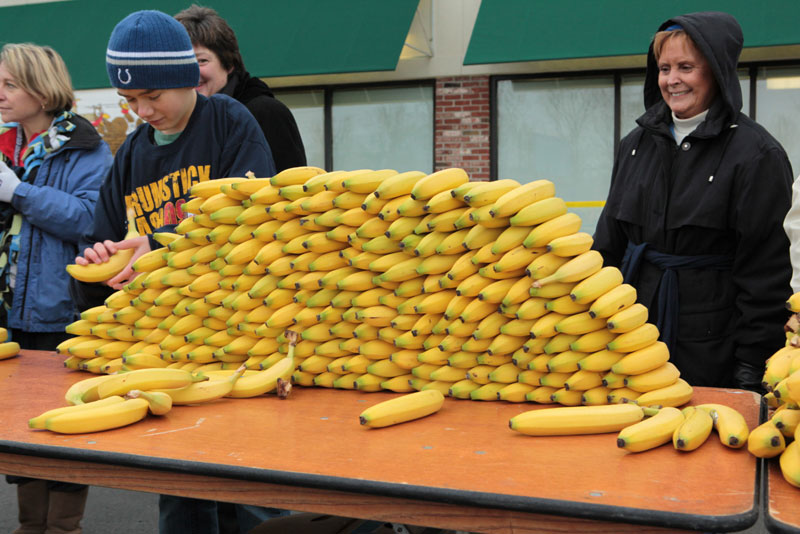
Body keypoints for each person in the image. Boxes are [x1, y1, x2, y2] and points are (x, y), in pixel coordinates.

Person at [70, 10, 276, 534]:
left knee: (247, 485)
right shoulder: (134, 149)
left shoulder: (230, 120)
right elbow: (104, 233)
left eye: (153, 96)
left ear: (186, 75)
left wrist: (156, 245)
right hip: (163, 341)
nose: (143, 111)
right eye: (130, 100)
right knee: (178, 484)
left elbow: (251, 219)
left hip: (240, 336)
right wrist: (100, 260)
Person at [594, 11, 793, 392]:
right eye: (664, 67)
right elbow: (608, 247)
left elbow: (766, 276)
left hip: (711, 353)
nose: (672, 80)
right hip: (630, 345)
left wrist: (751, 365)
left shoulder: (756, 154)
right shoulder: (634, 146)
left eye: (686, 67)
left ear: (716, 71)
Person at [0, 43, 112, 534]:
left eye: (9, 84)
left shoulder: (87, 147)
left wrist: (16, 191)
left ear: (42, 89)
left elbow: (91, 220)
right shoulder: (6, 147)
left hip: (63, 313)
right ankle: (29, 527)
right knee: (19, 432)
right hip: (10, 314)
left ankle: (65, 528)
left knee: (63, 431)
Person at [175, 4, 307, 173]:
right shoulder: (175, 126)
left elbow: (292, 187)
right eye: (183, 63)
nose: (192, 72)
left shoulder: (265, 113)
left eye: (202, 61)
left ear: (228, 63)